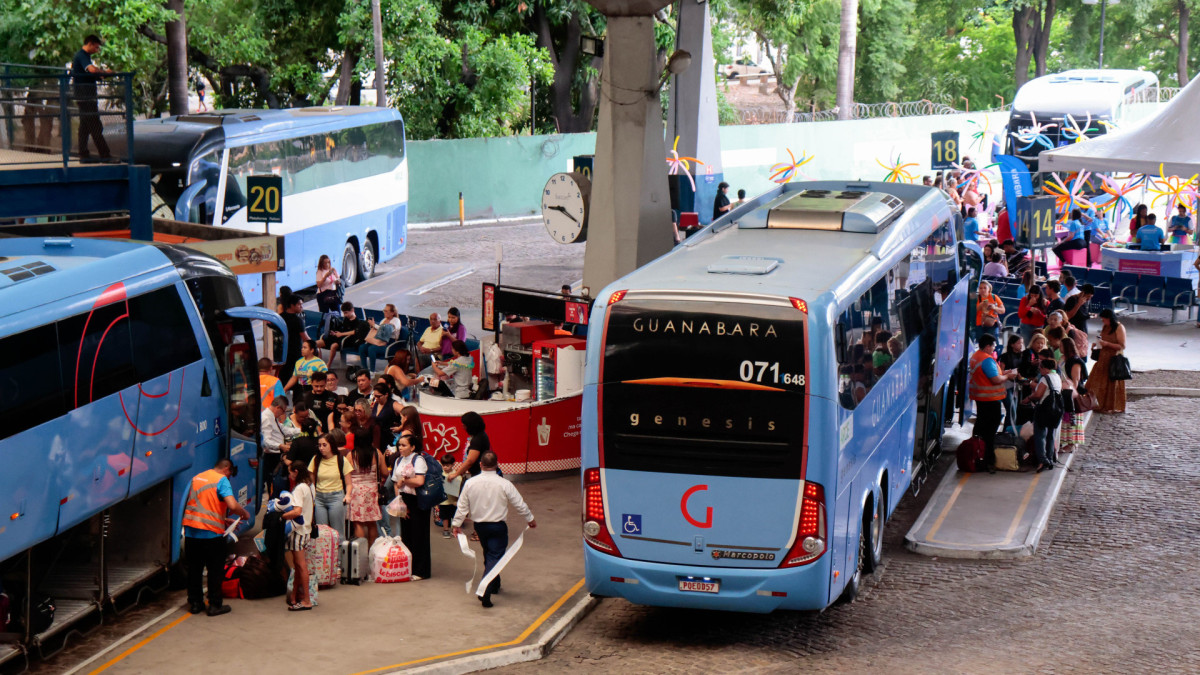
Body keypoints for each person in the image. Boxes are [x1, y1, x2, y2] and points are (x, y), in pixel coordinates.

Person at [451, 451, 536, 608]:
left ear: (480, 465)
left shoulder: (470, 483)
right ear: (497, 465)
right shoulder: (504, 484)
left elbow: (462, 506)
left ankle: (495, 584)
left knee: (489, 555)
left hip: (480, 527)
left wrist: (456, 524)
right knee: (495, 556)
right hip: (498, 526)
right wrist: (530, 519)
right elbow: (519, 503)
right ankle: (486, 590)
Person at [183, 459, 252, 616]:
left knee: (194, 570)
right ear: (226, 468)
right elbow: (232, 505)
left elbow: (203, 505)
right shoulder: (221, 481)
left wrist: (222, 519)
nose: (229, 477)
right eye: (230, 474)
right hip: (211, 534)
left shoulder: (197, 478)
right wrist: (244, 513)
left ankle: (195, 603)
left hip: (192, 532)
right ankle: (214, 605)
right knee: (215, 571)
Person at [968, 334, 1019, 473]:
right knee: (990, 430)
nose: (995, 349)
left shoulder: (976, 356)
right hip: (990, 400)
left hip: (981, 398)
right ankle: (987, 457)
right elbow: (995, 379)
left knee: (980, 425)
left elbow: (991, 373)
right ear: (988, 346)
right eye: (994, 346)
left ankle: (977, 451)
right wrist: (1007, 376)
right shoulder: (986, 360)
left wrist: (1005, 372)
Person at [392, 433, 431, 580]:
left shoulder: (418, 459)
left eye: (404, 445)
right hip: (404, 498)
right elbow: (396, 482)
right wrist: (399, 500)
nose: (400, 448)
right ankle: (408, 567)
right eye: (399, 445)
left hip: (418, 499)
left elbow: (420, 481)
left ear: (412, 446)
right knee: (406, 534)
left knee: (419, 534)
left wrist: (404, 482)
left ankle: (421, 570)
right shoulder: (398, 460)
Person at [72, 35, 114, 162]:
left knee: (84, 126)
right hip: (85, 96)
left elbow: (93, 75)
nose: (97, 50)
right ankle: (105, 154)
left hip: (85, 96)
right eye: (96, 47)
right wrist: (104, 72)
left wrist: (103, 75)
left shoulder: (85, 56)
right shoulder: (82, 56)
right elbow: (91, 70)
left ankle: (83, 153)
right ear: (89, 44)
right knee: (95, 125)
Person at [282, 461, 314, 611]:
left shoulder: (299, 489)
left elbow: (297, 511)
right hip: (306, 530)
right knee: (298, 565)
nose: (289, 476)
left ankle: (306, 600)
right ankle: (294, 596)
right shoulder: (309, 486)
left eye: (290, 472)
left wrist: (282, 517)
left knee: (301, 566)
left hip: (298, 531)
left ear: (295, 471)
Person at [306, 434, 352, 541]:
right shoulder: (316, 459)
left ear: (331, 445)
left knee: (338, 532)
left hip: (336, 497)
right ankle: (324, 556)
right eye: (319, 445)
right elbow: (311, 483)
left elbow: (349, 483)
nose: (321, 448)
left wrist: (348, 495)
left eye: (324, 445)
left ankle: (339, 557)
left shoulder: (341, 460)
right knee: (321, 532)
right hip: (319, 498)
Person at [1021, 358, 1062, 473]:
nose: (1039, 369)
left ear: (1045, 368)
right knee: (1050, 435)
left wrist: (1028, 399)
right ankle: (1049, 459)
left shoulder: (1045, 378)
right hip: (1055, 410)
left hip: (1044, 409)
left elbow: (1038, 395)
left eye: (1040, 367)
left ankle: (1043, 460)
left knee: (1040, 435)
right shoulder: (1057, 377)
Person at [347, 433, 385, 548]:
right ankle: (371, 551)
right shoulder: (377, 453)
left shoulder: (351, 455)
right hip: (372, 491)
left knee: (358, 523)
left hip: (356, 492)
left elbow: (346, 474)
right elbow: (385, 472)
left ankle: (360, 553)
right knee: (372, 523)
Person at [1089, 309, 1127, 414]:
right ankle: (1098, 403)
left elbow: (1122, 346)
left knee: (1111, 383)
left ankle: (1110, 405)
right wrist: (1097, 344)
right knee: (1098, 381)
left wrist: (1107, 344)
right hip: (1103, 357)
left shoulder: (1119, 327)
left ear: (1109, 318)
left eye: (1104, 319)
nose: (1103, 321)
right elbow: (1102, 339)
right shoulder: (1105, 327)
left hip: (1113, 357)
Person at [261, 396, 299, 487]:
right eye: (283, 411)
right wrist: (280, 446)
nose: (283, 414)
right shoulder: (266, 418)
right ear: (278, 408)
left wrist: (300, 431)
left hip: (276, 455)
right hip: (271, 457)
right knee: (273, 483)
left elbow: (283, 430)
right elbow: (265, 441)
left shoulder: (273, 418)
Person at [1059, 338, 1088, 453]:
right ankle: (1065, 441)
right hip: (1064, 391)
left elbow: (1075, 381)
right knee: (1065, 420)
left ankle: (1072, 443)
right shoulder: (1063, 359)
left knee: (1072, 419)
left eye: (1061, 346)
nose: (1059, 348)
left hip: (1071, 395)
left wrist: (1070, 393)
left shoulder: (1075, 362)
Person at [357, 303, 403, 373]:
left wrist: (374, 325)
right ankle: (365, 370)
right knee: (362, 347)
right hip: (379, 341)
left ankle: (372, 371)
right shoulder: (383, 320)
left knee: (372, 348)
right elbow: (379, 331)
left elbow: (387, 330)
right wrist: (372, 326)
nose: (384, 312)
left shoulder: (396, 321)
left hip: (390, 344)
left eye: (386, 311)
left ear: (392, 313)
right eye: (384, 310)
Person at [317, 302, 367, 367]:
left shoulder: (357, 322)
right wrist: (335, 333)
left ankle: (328, 365)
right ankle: (319, 363)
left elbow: (354, 332)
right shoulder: (346, 319)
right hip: (339, 336)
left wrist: (341, 334)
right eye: (344, 313)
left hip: (347, 339)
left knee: (333, 346)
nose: (345, 315)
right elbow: (342, 329)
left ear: (352, 310)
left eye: (346, 313)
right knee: (316, 343)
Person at [279, 294, 308, 385]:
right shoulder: (297, 320)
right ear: (292, 305)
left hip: (282, 352)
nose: (301, 307)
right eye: (299, 304)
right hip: (295, 352)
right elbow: (305, 338)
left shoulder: (280, 317)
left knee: (284, 375)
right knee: (299, 376)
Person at [438, 455, 463, 539]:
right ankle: (446, 530)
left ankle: (454, 529)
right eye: (443, 465)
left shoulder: (456, 474)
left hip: (453, 500)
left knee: (454, 516)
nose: (445, 467)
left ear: (453, 464)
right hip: (443, 500)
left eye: (447, 465)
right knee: (445, 516)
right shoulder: (440, 474)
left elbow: (459, 486)